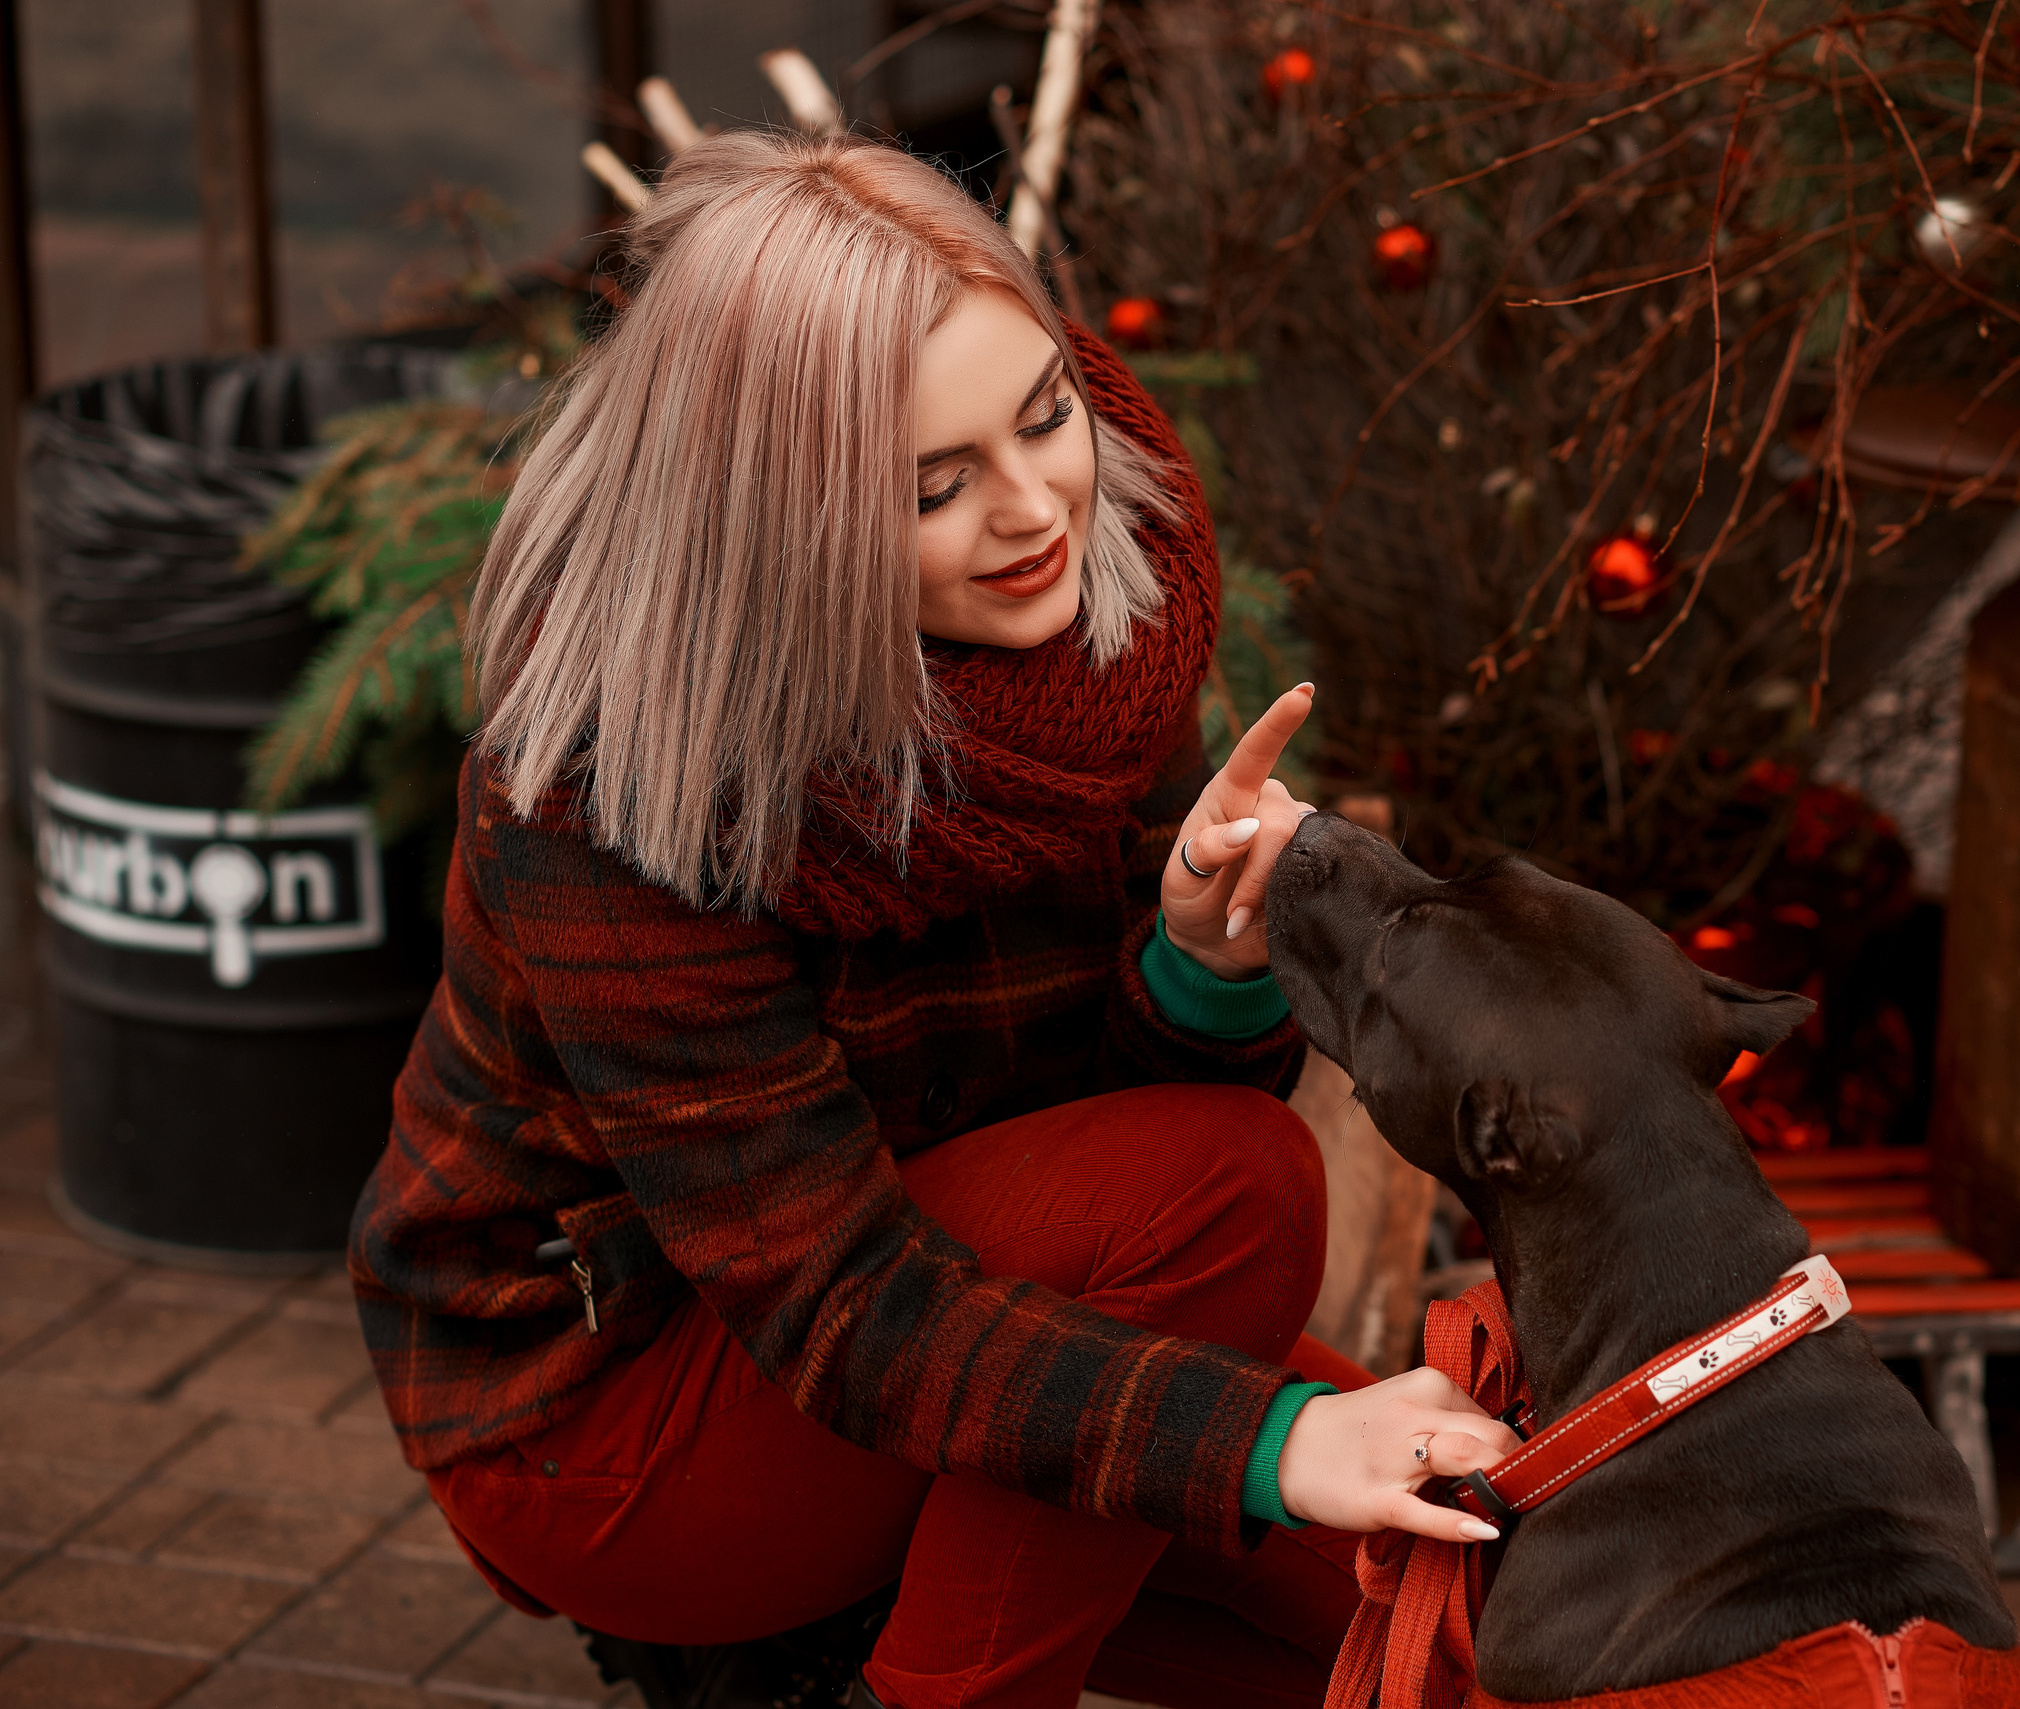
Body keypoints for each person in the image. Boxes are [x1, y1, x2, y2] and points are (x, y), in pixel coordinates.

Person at [348, 129, 1517, 1709]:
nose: (1037, 507)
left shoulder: (1089, 627)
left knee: (1459, 1615)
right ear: (785, 516)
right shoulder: (609, 785)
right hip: (620, 1405)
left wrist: (1205, 968)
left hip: (954, 1305)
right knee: (1239, 1195)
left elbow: (1105, 1155)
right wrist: (1268, 1437)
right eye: (931, 486)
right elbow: (842, 1293)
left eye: (1045, 413)